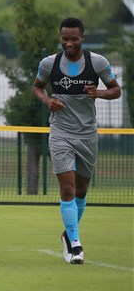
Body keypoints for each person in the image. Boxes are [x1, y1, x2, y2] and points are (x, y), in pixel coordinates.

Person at [33, 17, 120, 264]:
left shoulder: (98, 62)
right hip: (60, 132)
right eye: (64, 39)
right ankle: (76, 245)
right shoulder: (50, 63)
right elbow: (38, 87)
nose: (68, 43)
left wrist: (99, 92)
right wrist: (47, 100)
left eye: (73, 38)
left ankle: (67, 236)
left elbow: (116, 90)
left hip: (87, 134)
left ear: (82, 37)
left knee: (81, 190)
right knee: (67, 188)